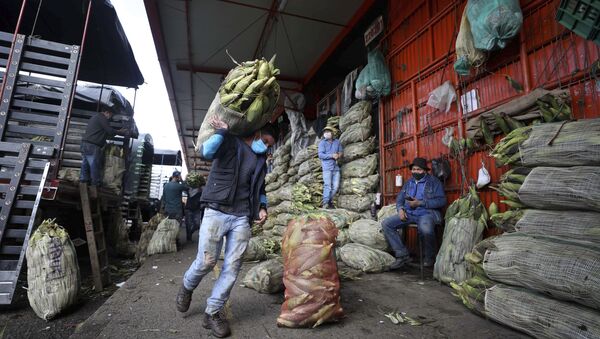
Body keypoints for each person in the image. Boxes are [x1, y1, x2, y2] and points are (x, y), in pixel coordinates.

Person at [176, 116, 276, 338]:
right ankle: (186, 287)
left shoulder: (260, 160)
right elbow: (206, 152)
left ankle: (212, 313)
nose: (267, 147)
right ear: (258, 133)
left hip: (241, 217)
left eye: (269, 145)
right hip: (216, 210)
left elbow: (260, 188)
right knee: (205, 262)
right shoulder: (230, 141)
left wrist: (262, 206)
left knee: (232, 268)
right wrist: (221, 132)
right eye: (266, 141)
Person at [381, 157, 446, 269]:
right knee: (386, 224)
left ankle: (429, 258)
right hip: (410, 214)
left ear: (425, 171)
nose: (415, 172)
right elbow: (400, 198)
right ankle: (402, 255)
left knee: (425, 229)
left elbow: (442, 201)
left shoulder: (434, 182)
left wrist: (420, 203)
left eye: (419, 170)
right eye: (414, 169)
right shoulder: (409, 182)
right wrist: (400, 209)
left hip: (427, 213)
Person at [80, 110, 128, 186]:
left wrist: (116, 131)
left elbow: (105, 132)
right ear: (107, 112)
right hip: (93, 145)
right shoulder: (101, 117)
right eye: (111, 115)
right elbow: (109, 130)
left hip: (85, 144)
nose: (110, 118)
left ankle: (83, 181)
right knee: (94, 165)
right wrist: (120, 132)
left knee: (85, 164)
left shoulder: (95, 117)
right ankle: (95, 183)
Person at [318, 126, 343, 209]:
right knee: (327, 185)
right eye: (325, 132)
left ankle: (329, 201)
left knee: (335, 187)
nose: (327, 133)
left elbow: (341, 152)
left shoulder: (337, 142)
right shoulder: (322, 143)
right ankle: (325, 203)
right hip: (327, 167)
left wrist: (338, 155)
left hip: (336, 167)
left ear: (332, 133)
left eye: (328, 131)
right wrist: (331, 155)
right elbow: (320, 155)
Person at [184, 175, 205, 242]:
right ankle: (188, 237)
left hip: (197, 210)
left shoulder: (201, 190)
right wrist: (185, 179)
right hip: (188, 209)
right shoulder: (189, 189)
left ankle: (190, 233)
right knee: (188, 224)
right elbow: (185, 185)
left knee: (197, 224)